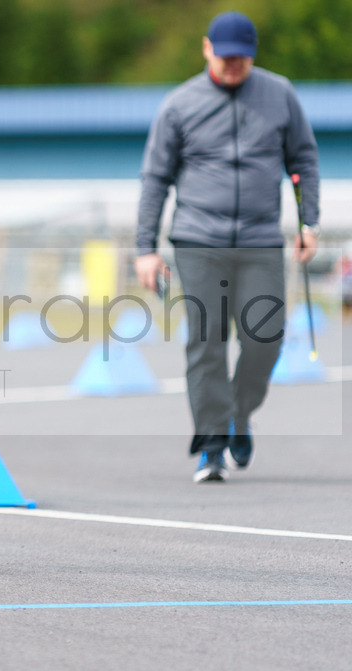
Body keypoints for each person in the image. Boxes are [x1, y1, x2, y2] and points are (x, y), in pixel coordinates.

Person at [134, 11, 320, 483]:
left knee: (264, 338)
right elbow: (155, 179)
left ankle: (239, 412)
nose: (234, 66)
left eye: (242, 58)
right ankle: (213, 443)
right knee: (206, 341)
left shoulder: (279, 94)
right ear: (205, 49)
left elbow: (303, 160)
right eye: (225, 57)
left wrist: (308, 221)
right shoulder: (179, 105)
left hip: (260, 239)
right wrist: (145, 248)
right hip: (198, 241)